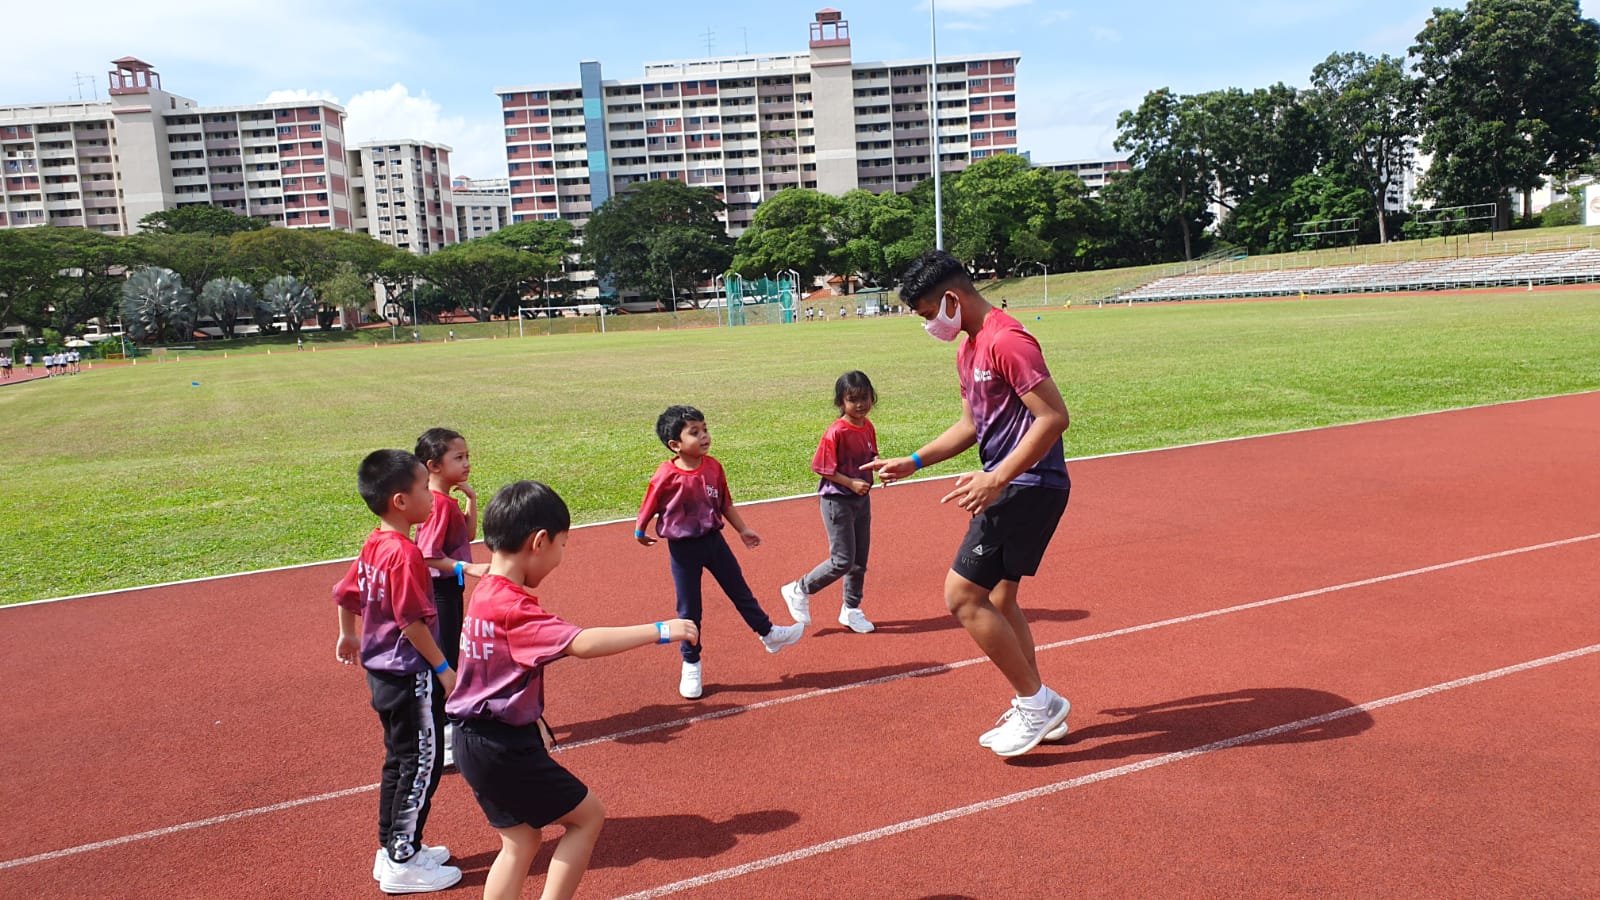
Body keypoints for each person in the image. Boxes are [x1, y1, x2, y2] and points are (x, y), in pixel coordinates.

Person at [448, 480, 698, 900]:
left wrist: (534, 719)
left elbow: (498, 672)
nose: (561, 557)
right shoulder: (513, 607)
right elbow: (580, 643)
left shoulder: (486, 591)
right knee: (587, 818)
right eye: (563, 546)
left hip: (474, 738)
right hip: (502, 747)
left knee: (521, 841)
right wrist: (660, 630)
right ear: (540, 541)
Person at [866, 250, 1073, 758]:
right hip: (1010, 484)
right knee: (1000, 600)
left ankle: (1035, 703)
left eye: (927, 314)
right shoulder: (969, 348)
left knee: (961, 596)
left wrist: (996, 477)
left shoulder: (1008, 339)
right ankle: (1040, 708)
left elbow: (1053, 417)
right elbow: (971, 426)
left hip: (1028, 484)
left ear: (952, 299)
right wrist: (912, 461)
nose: (928, 326)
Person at [332, 449, 463, 893]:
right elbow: (412, 623)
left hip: (380, 671)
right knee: (420, 765)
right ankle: (402, 859)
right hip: (409, 676)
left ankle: (393, 845)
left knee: (399, 761)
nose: (430, 496)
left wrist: (349, 635)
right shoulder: (405, 553)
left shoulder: (374, 542)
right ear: (400, 501)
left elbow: (347, 592)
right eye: (423, 488)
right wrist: (444, 668)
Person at [635, 405, 804, 699]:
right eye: (694, 432)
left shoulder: (714, 467)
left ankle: (769, 634)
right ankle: (691, 661)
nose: (704, 436)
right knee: (689, 609)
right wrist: (640, 529)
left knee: (740, 591)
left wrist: (742, 529)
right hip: (683, 550)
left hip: (714, 542)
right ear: (675, 444)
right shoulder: (666, 474)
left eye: (705, 429)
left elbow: (725, 503)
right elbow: (650, 501)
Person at [780, 371, 880, 635]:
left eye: (865, 398)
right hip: (837, 501)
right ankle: (799, 588)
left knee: (859, 560)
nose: (860, 405)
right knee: (842, 560)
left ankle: (851, 609)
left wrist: (881, 468)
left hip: (861, 500)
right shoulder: (836, 432)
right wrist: (851, 483)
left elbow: (870, 455)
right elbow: (822, 467)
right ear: (841, 402)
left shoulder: (867, 426)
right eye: (853, 399)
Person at [413, 427, 491, 768]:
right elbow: (427, 555)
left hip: (448, 589)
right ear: (434, 465)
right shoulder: (439, 505)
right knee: (444, 661)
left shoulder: (445, 501)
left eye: (467, 456)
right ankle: (442, 737)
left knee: (448, 659)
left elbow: (470, 534)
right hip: (440, 591)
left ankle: (444, 730)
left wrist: (472, 500)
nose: (466, 463)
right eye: (458, 458)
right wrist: (466, 569)